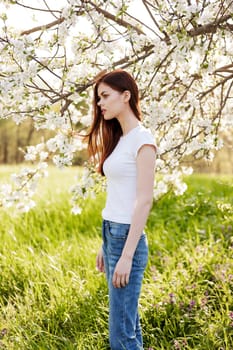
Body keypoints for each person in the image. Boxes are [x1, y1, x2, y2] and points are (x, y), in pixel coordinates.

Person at [87, 69, 156, 350]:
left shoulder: (143, 140)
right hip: (113, 235)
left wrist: (126, 255)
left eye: (105, 96)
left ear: (126, 96)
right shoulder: (121, 139)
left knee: (121, 337)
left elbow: (144, 200)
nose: (100, 103)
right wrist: (106, 244)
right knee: (128, 327)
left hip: (128, 240)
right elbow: (119, 195)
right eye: (98, 98)